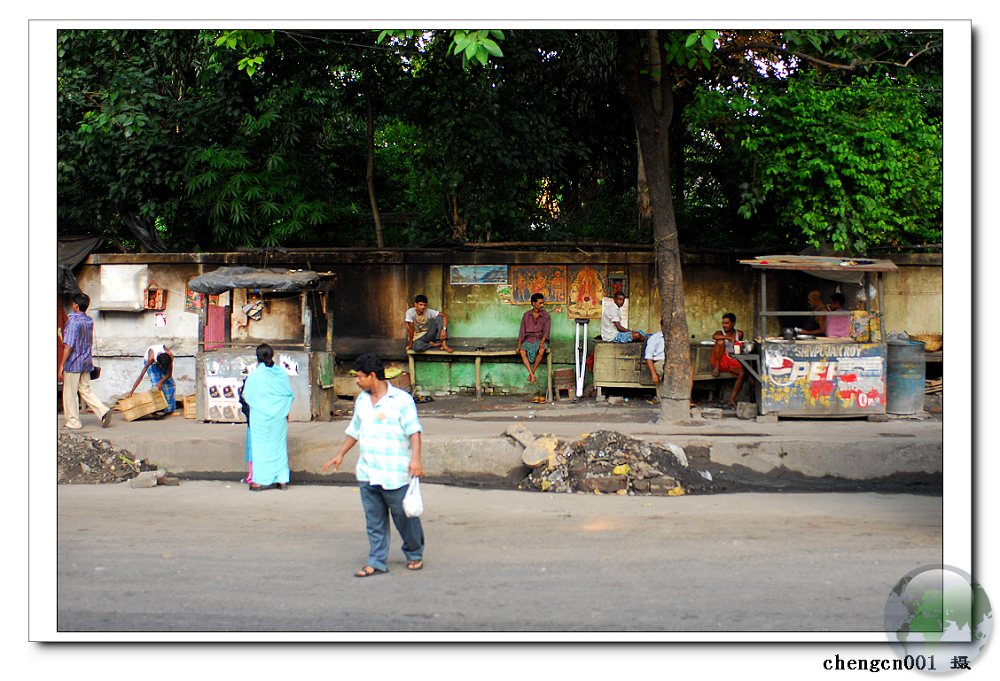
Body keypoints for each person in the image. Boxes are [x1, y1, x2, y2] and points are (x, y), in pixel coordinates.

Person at [323, 353, 425, 577]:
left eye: (360, 377)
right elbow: (354, 431)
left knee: (404, 517)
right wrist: (340, 454)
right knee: (374, 521)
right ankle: (377, 561)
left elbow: (414, 431)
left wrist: (416, 459)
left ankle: (414, 551)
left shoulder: (401, 400)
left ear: (372, 376)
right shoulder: (361, 401)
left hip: (396, 472)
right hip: (368, 471)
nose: (357, 381)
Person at [240, 343, 294, 491]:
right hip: (280, 416)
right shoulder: (281, 374)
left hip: (261, 418)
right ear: (272, 355)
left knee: (261, 448)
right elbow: (288, 394)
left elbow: (247, 396)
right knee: (279, 447)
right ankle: (282, 479)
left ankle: (261, 480)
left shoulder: (255, 377)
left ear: (257, 358)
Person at [59, 292, 113, 430]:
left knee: (70, 393)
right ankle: (103, 411)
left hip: (73, 362)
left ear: (76, 306)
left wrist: (61, 365)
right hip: (86, 361)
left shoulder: (73, 321)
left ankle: (73, 421)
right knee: (85, 390)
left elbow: (69, 345)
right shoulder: (89, 321)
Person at [126, 343, 176, 413]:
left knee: (170, 385)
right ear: (158, 363)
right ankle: (158, 408)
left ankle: (169, 410)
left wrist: (161, 381)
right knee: (156, 386)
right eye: (161, 367)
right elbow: (141, 376)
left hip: (163, 361)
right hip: (152, 364)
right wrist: (131, 391)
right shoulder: (151, 359)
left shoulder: (169, 356)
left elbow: (169, 374)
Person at [711, 312, 746, 406]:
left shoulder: (739, 333)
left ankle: (731, 399)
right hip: (720, 360)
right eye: (723, 323)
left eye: (727, 323)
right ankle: (717, 368)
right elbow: (714, 336)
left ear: (733, 323)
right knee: (720, 342)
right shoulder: (720, 333)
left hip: (731, 360)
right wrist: (728, 337)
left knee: (742, 373)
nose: (724, 325)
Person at [517, 293, 551, 384]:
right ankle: (532, 375)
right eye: (540, 303)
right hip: (529, 339)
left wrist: (542, 342)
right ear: (533, 303)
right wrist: (519, 345)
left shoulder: (546, 316)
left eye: (543, 303)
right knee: (522, 351)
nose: (542, 305)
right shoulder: (526, 315)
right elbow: (522, 331)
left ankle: (532, 372)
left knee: (541, 350)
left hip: (541, 338)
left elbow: (546, 331)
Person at [644, 318, 666, 386]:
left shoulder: (675, 338)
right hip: (659, 362)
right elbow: (648, 357)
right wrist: (653, 374)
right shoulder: (654, 338)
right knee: (667, 369)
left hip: (670, 361)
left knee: (690, 369)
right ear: (662, 326)